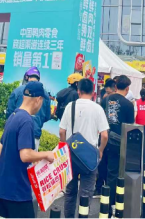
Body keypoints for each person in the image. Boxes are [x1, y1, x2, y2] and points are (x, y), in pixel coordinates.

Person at [0, 81, 56, 218]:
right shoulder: (27, 121)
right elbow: (25, 154)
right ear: (38, 100)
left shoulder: (14, 116)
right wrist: (46, 154)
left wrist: (2, 173)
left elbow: (0, 146)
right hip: (17, 192)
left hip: (2, 188)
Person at [59, 78, 108, 219]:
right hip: (90, 158)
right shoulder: (98, 109)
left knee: (70, 192)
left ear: (78, 91)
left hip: (71, 156)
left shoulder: (70, 106)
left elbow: (62, 131)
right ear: (93, 92)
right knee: (86, 194)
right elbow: (104, 135)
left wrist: (64, 147)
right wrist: (100, 150)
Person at [98, 75, 135, 193]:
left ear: (115, 86)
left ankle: (99, 190)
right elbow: (130, 126)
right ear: (127, 88)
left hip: (103, 139)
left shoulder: (106, 100)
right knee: (113, 172)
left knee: (101, 167)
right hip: (118, 142)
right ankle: (110, 199)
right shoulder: (129, 105)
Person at [6, 67, 51, 147]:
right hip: (35, 133)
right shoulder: (45, 95)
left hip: (16, 132)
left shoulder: (17, 91)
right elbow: (47, 116)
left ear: (26, 77)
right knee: (31, 155)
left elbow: (10, 112)